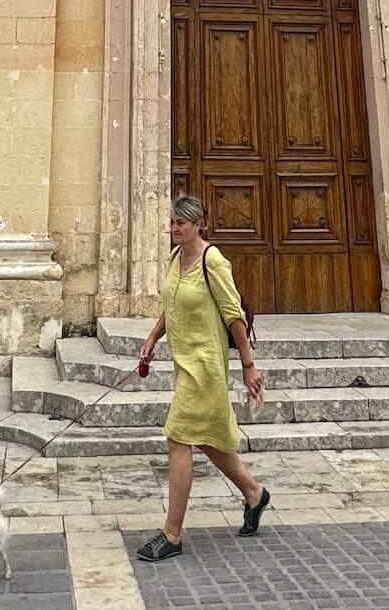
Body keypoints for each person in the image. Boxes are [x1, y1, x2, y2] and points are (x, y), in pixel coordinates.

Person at [133, 195, 268, 562]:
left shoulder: (214, 261)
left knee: (178, 438)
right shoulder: (177, 258)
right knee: (207, 440)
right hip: (184, 362)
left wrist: (248, 365)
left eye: (182, 223)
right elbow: (171, 304)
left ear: (198, 224)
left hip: (206, 367)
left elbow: (233, 315)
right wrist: (151, 339)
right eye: (173, 222)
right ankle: (254, 493)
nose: (175, 228)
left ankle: (171, 534)